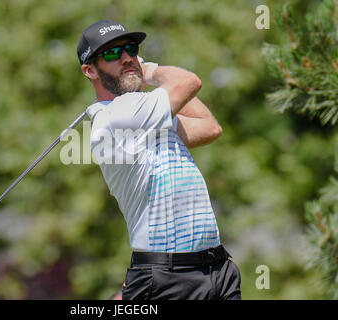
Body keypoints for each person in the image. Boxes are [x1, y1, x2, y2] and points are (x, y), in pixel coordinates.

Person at [77, 20, 241, 300]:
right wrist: (149, 70)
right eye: (114, 53)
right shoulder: (118, 116)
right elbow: (190, 82)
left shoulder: (144, 113)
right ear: (89, 69)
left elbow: (209, 128)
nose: (127, 57)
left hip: (218, 268)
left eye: (130, 49)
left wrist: (136, 73)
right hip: (170, 278)